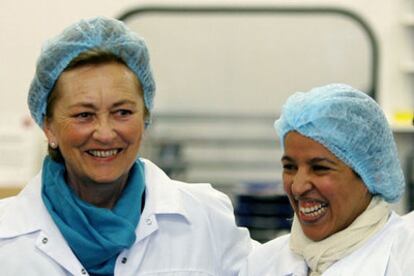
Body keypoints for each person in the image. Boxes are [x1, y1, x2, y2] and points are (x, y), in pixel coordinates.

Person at [0, 17, 256, 275]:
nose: (105, 133)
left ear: (145, 118)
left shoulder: (204, 218)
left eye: (122, 112)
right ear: (49, 127)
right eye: (84, 115)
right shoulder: (6, 237)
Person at [240, 84, 414, 276]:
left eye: (320, 168)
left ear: (371, 175)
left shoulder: (405, 258)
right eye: (290, 167)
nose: (298, 187)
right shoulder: (262, 264)